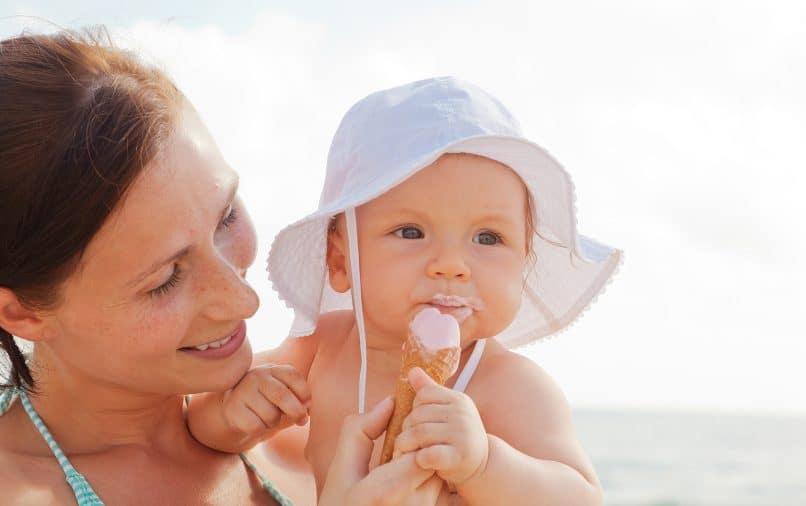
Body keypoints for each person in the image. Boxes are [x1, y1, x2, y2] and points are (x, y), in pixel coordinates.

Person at [0, 28, 440, 505]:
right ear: (22, 313)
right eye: (164, 281)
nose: (245, 300)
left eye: (226, 216)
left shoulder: (323, 430)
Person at [188, 77, 623, 504]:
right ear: (341, 262)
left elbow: (582, 496)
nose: (451, 265)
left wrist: (485, 464)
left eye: (488, 238)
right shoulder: (323, 347)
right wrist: (234, 413)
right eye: (411, 232)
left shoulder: (508, 385)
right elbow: (200, 424)